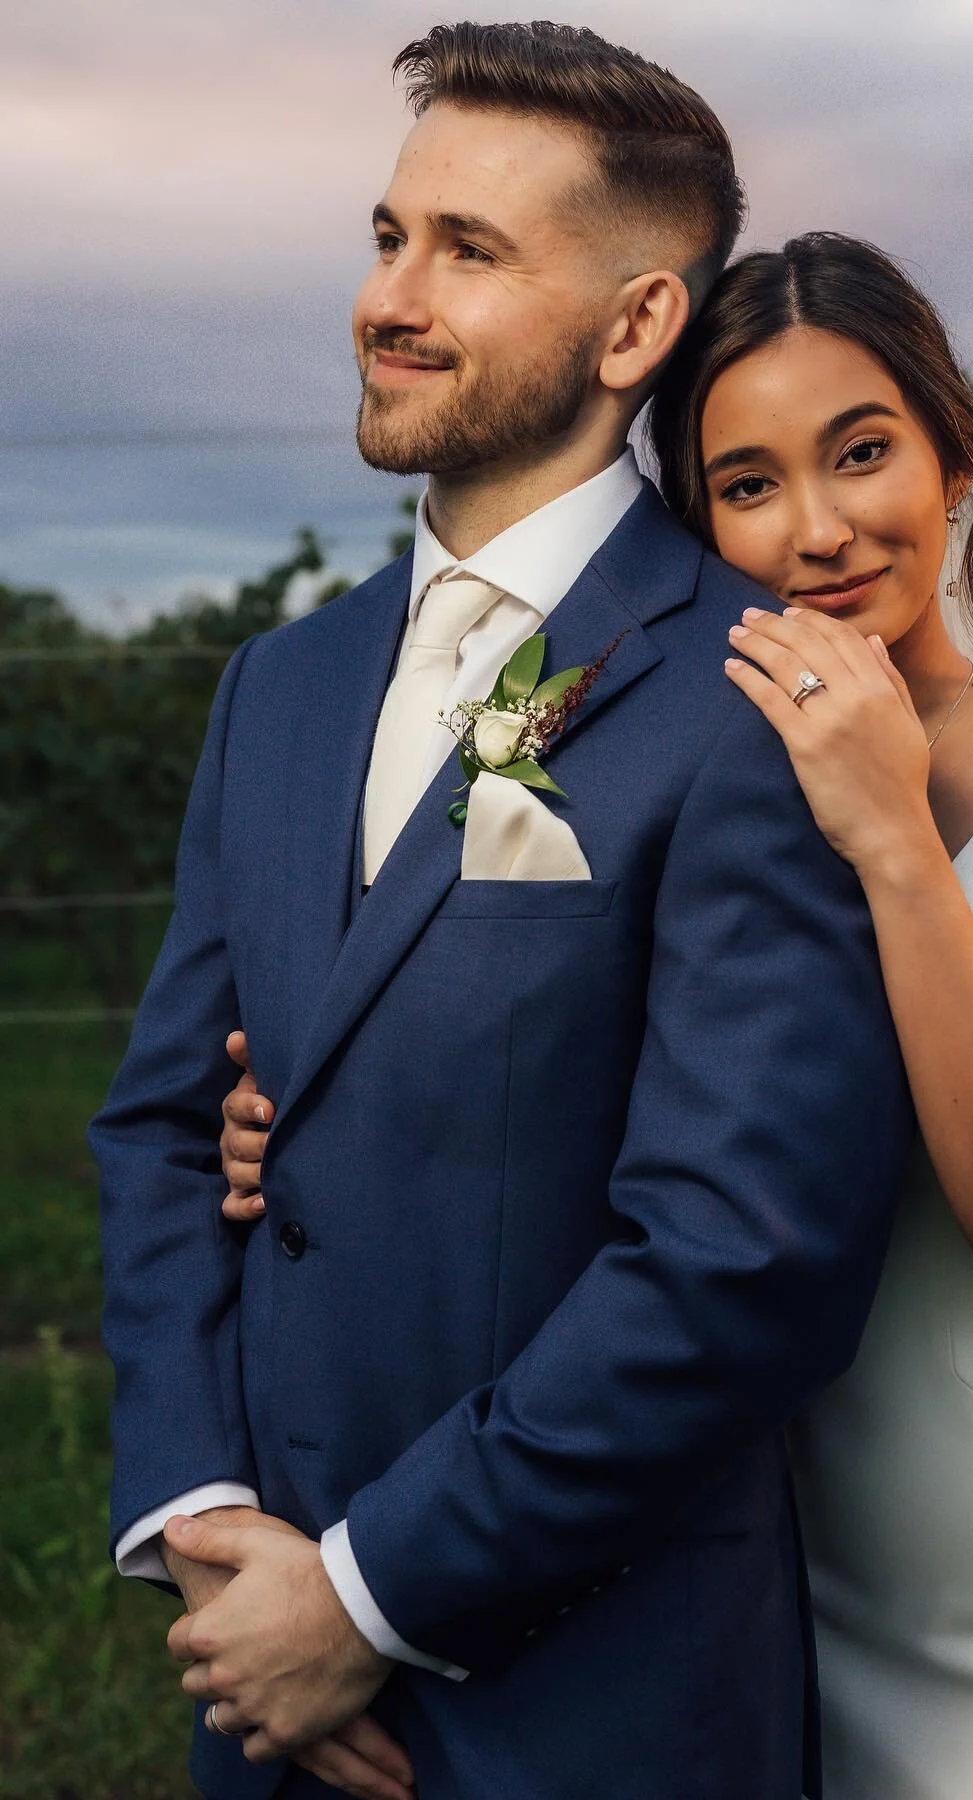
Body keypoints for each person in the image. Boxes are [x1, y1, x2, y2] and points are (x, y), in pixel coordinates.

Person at [223, 234, 973, 1800]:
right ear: (692, 518)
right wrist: (297, 1116)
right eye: (746, 482)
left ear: (957, 451)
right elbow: (447, 986)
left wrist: (892, 838)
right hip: (769, 1573)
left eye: (863, 452)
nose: (820, 529)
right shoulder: (610, 727)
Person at [91, 28, 913, 1800]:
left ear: (634, 329)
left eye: (469, 252)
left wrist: (370, 1599)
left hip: (587, 1704)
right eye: (389, 237)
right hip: (261, 1690)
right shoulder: (278, 689)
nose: (391, 295)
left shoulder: (751, 695)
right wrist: (212, 1525)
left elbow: (742, 1261)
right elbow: (165, 1124)